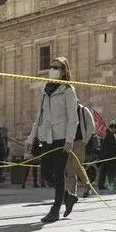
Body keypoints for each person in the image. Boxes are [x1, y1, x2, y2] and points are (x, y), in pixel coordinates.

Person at [29, 56, 78, 223]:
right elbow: (39, 116)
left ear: (64, 71)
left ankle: (55, 209)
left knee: (58, 173)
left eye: (57, 67)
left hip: (61, 137)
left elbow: (73, 118)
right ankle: (68, 197)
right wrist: (31, 137)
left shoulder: (68, 90)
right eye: (51, 66)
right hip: (46, 136)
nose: (53, 70)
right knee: (46, 174)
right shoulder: (45, 90)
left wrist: (69, 140)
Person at [64, 101, 95, 215]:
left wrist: (85, 141)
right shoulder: (67, 112)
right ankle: (72, 194)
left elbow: (91, 125)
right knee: (69, 169)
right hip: (68, 143)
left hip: (79, 142)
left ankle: (87, 186)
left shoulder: (83, 110)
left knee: (77, 166)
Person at [97, 122, 116, 191]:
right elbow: (113, 145)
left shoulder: (104, 133)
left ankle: (100, 185)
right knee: (111, 171)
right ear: (113, 128)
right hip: (109, 156)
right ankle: (112, 185)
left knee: (103, 171)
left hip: (104, 155)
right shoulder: (110, 134)